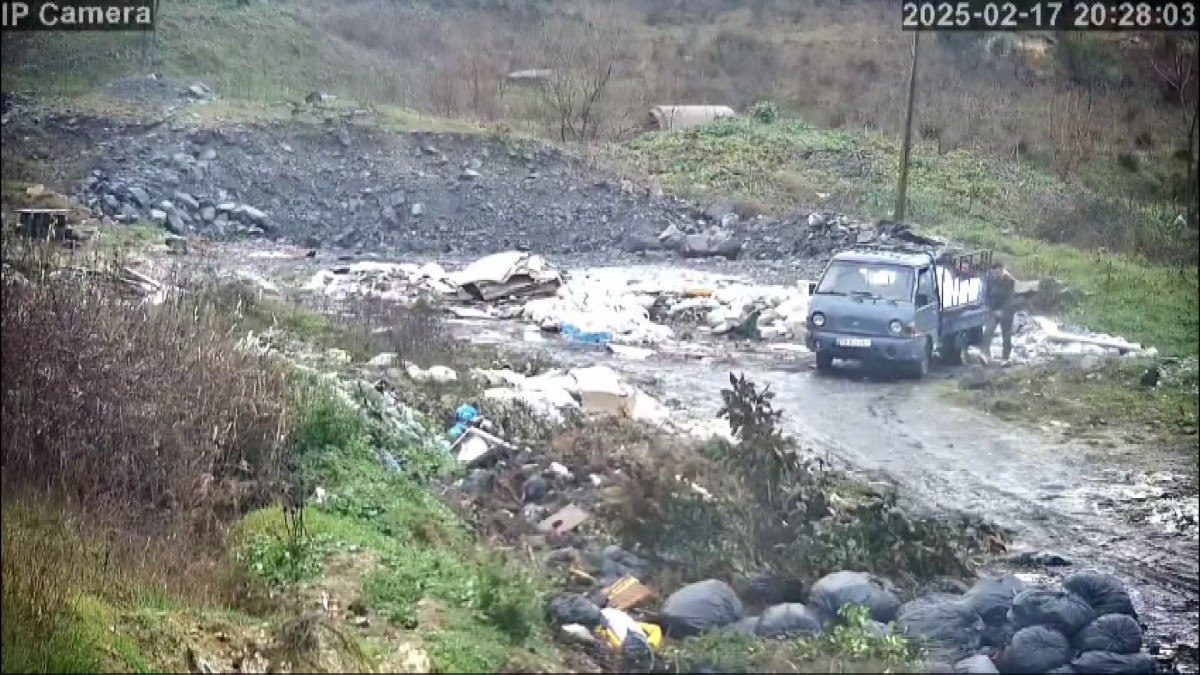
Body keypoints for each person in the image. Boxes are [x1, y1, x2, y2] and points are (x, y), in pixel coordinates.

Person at [983, 259, 1017, 362]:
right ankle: (986, 355)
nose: (996, 273)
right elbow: (986, 295)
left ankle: (1005, 357)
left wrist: (1002, 311)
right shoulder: (989, 279)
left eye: (998, 270)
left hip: (1007, 312)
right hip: (993, 310)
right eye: (994, 271)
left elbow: (1009, 298)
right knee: (988, 332)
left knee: (1006, 335)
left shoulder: (1010, 281)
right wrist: (989, 308)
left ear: (1002, 270)